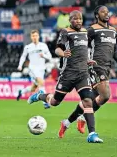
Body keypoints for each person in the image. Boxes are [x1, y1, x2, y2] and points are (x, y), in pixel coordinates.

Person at [27, 10, 102, 143]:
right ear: (70, 20)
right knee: (55, 102)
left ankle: (92, 134)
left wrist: (88, 60)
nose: (78, 21)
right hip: (68, 73)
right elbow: (57, 49)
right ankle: (40, 96)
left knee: (88, 101)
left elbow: (85, 51)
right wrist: (63, 53)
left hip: (82, 73)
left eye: (80, 19)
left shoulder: (85, 33)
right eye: (75, 19)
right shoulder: (65, 32)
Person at [58, 5, 117, 140]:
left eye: (107, 11)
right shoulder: (92, 30)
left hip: (107, 67)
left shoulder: (113, 30)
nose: (106, 13)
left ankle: (67, 122)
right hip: (95, 66)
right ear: (97, 15)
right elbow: (79, 44)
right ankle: (85, 121)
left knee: (90, 101)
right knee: (105, 95)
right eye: (103, 12)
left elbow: (114, 50)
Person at [17, 30, 52, 109]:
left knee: (34, 88)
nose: (34, 37)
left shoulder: (43, 46)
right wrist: (20, 65)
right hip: (32, 69)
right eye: (33, 36)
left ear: (38, 36)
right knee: (41, 83)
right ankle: (45, 102)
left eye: (36, 35)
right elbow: (23, 56)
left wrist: (44, 56)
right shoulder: (28, 47)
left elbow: (50, 57)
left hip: (41, 69)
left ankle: (21, 92)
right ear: (31, 37)